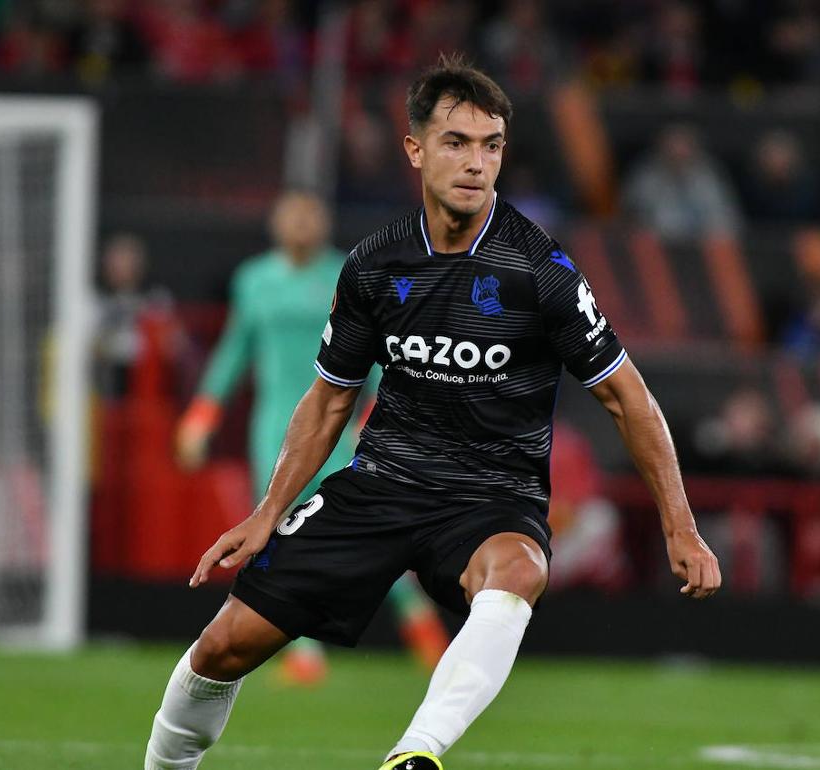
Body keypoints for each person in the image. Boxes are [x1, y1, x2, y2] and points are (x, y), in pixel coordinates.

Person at [145, 55, 721, 770]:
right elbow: (330, 398)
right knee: (221, 647)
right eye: (456, 142)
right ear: (416, 150)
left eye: (491, 145)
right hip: (382, 483)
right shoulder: (373, 267)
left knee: (518, 570)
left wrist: (681, 524)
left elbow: (626, 397)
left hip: (490, 497)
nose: (476, 163)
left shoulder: (539, 271)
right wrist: (268, 512)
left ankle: (415, 755)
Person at [173, 190, 449, 684]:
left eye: (310, 214)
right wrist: (203, 412)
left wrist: (378, 412)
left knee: (367, 531)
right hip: (275, 427)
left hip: (337, 426)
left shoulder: (348, 273)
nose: (300, 222)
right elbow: (235, 348)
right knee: (278, 534)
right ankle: (302, 652)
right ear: (276, 222)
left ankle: (420, 624)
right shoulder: (254, 280)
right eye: (292, 213)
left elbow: (379, 352)